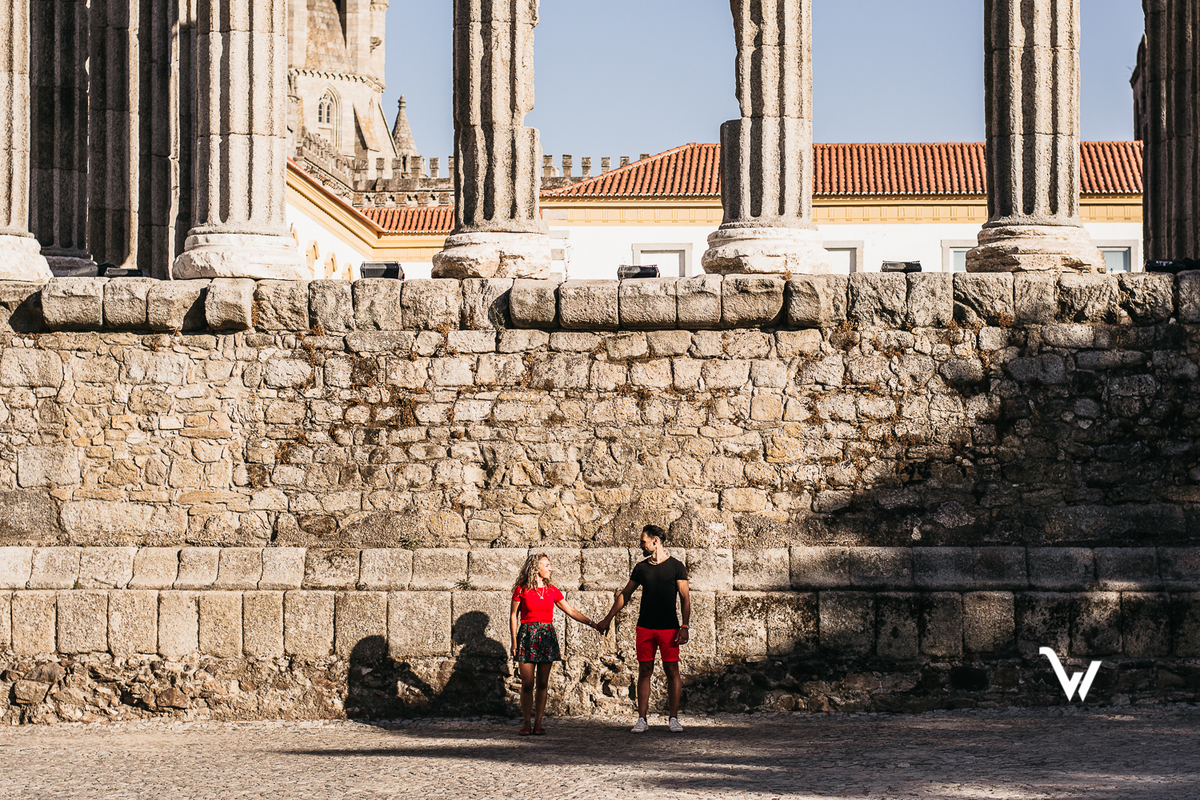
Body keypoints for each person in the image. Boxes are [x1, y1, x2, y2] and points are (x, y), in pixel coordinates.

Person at [597, 524, 690, 733]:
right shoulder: (641, 568)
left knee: (672, 671)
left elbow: (685, 597)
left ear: (655, 541)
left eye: (643, 541)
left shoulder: (676, 566)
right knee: (644, 670)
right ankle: (642, 719)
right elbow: (625, 594)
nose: (641, 545)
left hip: (669, 628)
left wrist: (684, 626)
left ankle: (673, 718)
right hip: (645, 627)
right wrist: (608, 618)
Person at [510, 552, 597, 735]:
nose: (550, 568)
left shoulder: (552, 590)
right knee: (527, 683)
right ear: (536, 568)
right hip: (527, 635)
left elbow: (571, 610)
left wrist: (592, 623)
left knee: (543, 682)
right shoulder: (521, 589)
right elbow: (513, 616)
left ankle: (538, 723)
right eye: (546, 565)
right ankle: (526, 723)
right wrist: (514, 642)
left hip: (546, 636)